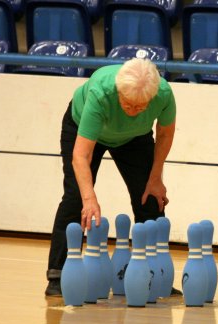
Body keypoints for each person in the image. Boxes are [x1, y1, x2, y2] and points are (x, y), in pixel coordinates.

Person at [45, 58, 182, 297]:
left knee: (150, 198)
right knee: (76, 198)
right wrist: (89, 198)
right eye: (128, 104)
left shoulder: (163, 94)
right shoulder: (101, 93)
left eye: (141, 107)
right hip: (83, 129)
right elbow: (81, 156)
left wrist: (156, 177)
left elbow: (165, 135)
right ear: (119, 91)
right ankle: (58, 274)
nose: (133, 111)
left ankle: (155, 274)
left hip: (134, 138)